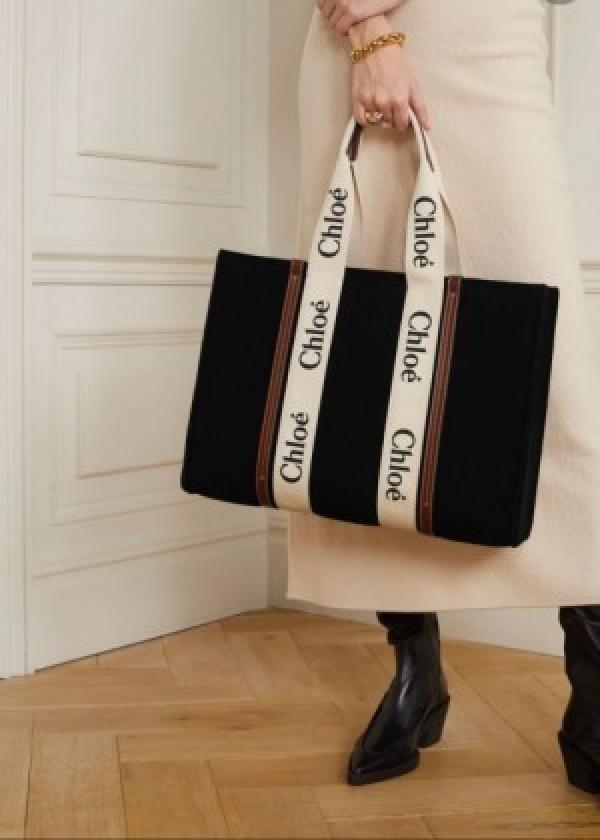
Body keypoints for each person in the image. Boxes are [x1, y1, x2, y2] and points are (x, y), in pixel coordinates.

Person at [290, 0, 600, 792]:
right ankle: (414, 670)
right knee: (369, 367)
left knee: (552, 371)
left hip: (489, 37)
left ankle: (595, 680)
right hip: (354, 42)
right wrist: (372, 33)